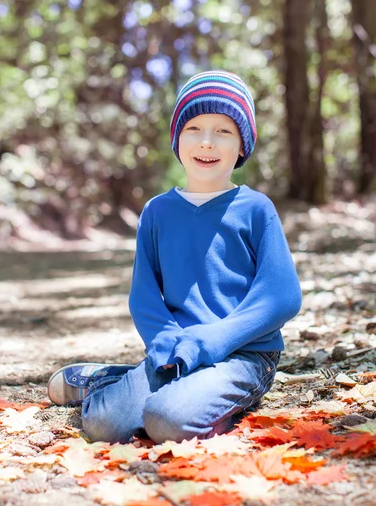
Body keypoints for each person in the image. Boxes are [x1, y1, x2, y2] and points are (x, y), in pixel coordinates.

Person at [47, 70, 302, 445]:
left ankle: (148, 390)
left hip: (243, 356)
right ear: (177, 138)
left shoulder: (256, 209)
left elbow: (281, 296)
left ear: (243, 146)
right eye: (194, 128)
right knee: (103, 426)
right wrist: (166, 342)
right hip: (177, 353)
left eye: (224, 131)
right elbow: (144, 295)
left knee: (167, 420)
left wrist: (213, 340)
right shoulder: (157, 212)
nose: (207, 142)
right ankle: (113, 382)